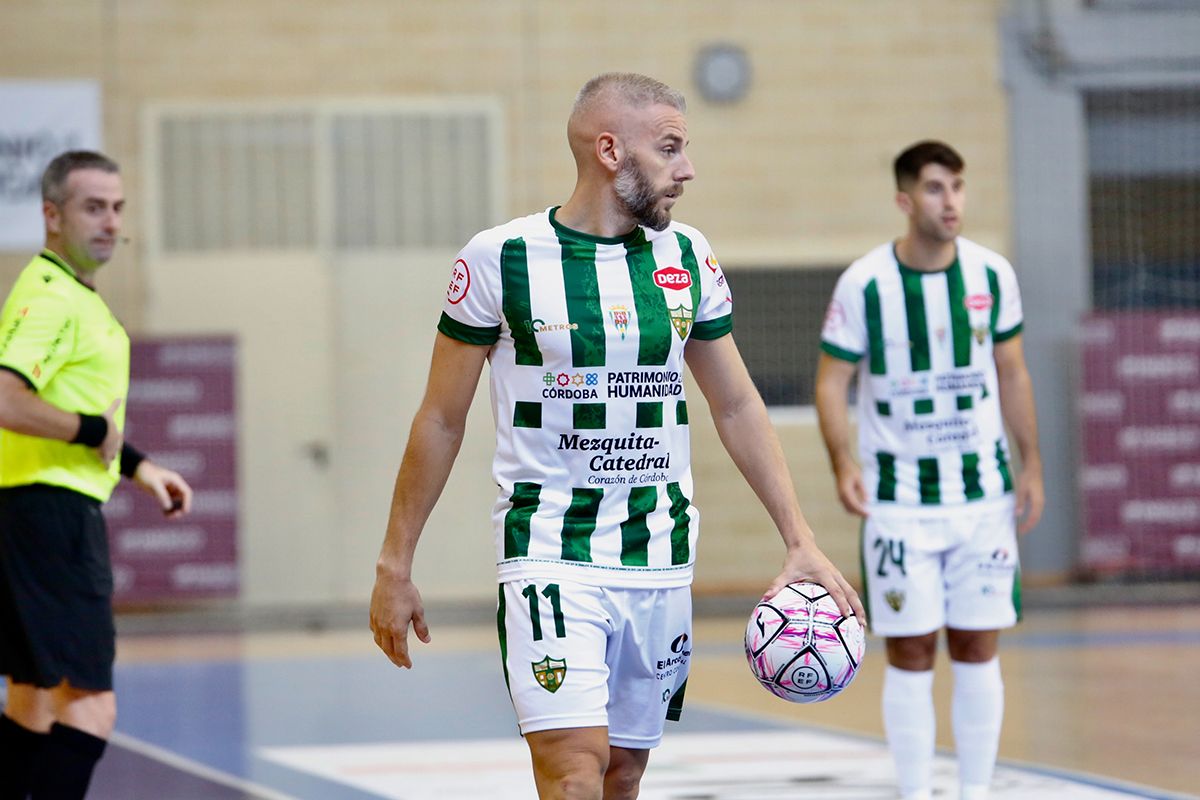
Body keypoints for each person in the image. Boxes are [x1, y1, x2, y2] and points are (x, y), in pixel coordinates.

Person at [370, 72, 864, 800]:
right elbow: (441, 418)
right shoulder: (499, 258)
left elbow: (735, 405)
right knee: (574, 765)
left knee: (623, 774)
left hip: (660, 553)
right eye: (670, 149)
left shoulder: (687, 257)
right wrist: (395, 562)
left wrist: (798, 536)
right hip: (550, 551)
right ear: (609, 150)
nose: (687, 169)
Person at [814, 140, 1044, 800]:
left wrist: (1032, 466)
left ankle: (975, 791)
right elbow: (833, 383)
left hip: (983, 497)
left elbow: (1012, 372)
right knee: (910, 650)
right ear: (905, 200)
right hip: (898, 501)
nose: (952, 202)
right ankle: (915, 793)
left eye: (959, 187)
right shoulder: (865, 283)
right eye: (938, 188)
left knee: (977, 644)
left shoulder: (991, 274)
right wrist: (842, 459)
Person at [0, 150, 194, 799]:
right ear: (52, 215)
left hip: (29, 513)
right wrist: (94, 434)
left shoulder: (74, 297)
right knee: (89, 707)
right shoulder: (52, 297)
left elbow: (80, 413)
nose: (110, 222)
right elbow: (6, 399)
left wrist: (138, 465)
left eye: (117, 208)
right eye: (93, 207)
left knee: (31, 699)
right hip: (49, 518)